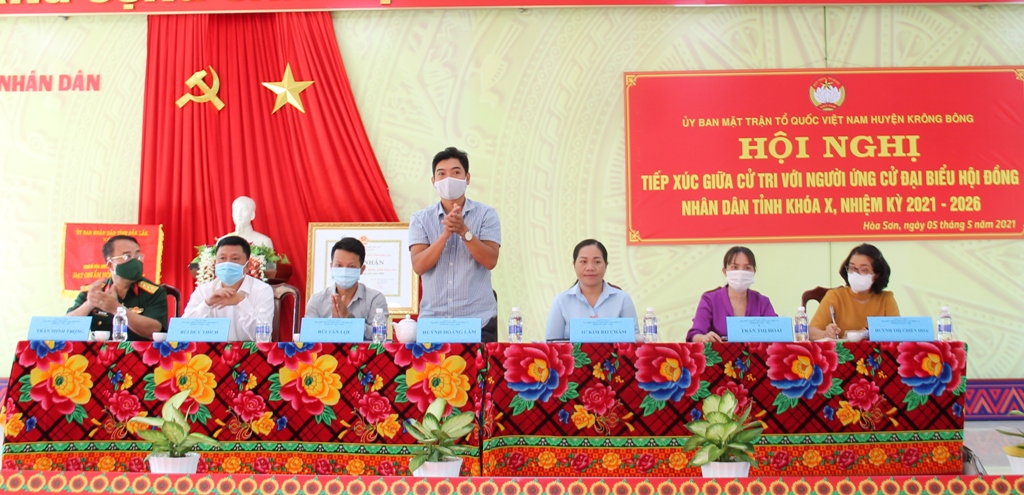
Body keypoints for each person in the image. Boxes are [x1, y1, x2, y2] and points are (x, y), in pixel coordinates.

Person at [409, 147, 501, 342]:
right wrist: (445, 234)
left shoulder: (487, 214)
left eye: (456, 172)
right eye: (441, 174)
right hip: (434, 324)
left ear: (467, 178)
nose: (448, 179)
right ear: (434, 181)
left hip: (478, 321)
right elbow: (419, 266)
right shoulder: (420, 219)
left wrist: (464, 231)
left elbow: (490, 260)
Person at [67, 235, 168, 341]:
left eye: (138, 255)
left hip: (138, 351)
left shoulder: (154, 292)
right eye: (127, 256)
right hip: (100, 350)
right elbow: (65, 329)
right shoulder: (95, 291)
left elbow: (155, 330)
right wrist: (88, 304)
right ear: (110, 265)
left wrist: (116, 308)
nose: (135, 261)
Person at [182, 235, 275, 341]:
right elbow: (182, 332)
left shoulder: (262, 290)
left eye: (235, 259)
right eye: (222, 258)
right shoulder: (204, 291)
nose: (227, 264)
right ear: (215, 263)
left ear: (248, 266)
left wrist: (242, 302)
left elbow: (263, 337)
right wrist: (206, 304)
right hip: (211, 351)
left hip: (249, 351)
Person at [545, 239, 638, 341]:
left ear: (606, 265)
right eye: (583, 262)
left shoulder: (622, 299)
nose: (590, 268)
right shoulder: (561, 301)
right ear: (574, 265)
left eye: (597, 262)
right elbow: (552, 344)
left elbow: (635, 341)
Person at [809, 243, 900, 340]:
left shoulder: (886, 299)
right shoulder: (835, 296)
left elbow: (898, 332)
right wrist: (826, 334)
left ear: (877, 274)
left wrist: (865, 334)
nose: (856, 273)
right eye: (852, 268)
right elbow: (811, 332)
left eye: (864, 269)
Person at [306, 237, 390, 340]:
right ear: (331, 267)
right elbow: (309, 337)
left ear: (362, 269)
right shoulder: (316, 301)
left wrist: (348, 319)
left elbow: (379, 335)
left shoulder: (375, 299)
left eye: (351, 267)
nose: (344, 270)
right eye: (339, 265)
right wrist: (334, 324)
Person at [687, 246, 777, 342]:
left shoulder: (762, 302)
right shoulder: (710, 300)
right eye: (735, 267)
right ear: (725, 272)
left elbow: (778, 333)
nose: (741, 273)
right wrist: (704, 338)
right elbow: (694, 335)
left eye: (747, 268)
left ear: (753, 272)